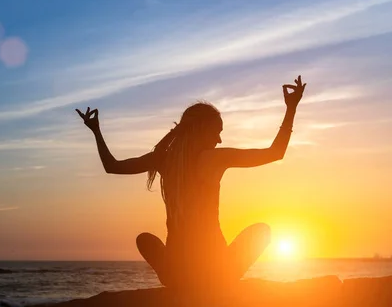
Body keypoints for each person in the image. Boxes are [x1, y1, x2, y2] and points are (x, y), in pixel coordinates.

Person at [76, 76, 306, 297]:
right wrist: (291, 108)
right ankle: (222, 281)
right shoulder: (214, 158)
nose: (219, 140)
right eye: (217, 132)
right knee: (262, 231)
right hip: (216, 272)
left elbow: (112, 166)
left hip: (177, 273)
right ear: (201, 130)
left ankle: (177, 279)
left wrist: (96, 131)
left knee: (144, 239)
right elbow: (275, 153)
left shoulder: (163, 160)